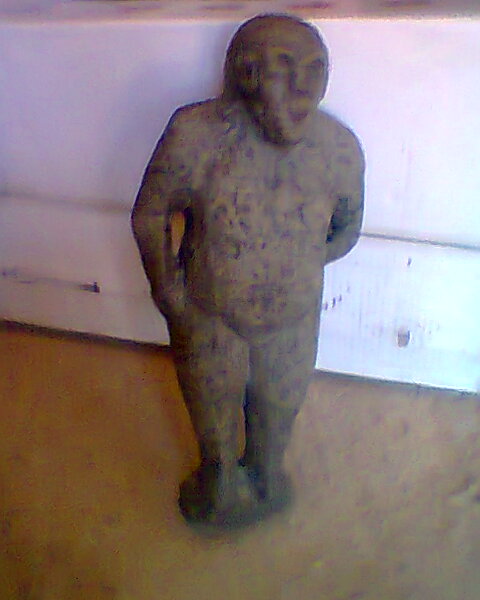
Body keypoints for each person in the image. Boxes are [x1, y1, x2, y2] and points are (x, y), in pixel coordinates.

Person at [131, 14, 365, 526]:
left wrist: (295, 267)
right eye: (285, 67)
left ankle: (264, 472)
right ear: (245, 74)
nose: (303, 85)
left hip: (293, 316)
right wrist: (167, 288)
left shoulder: (338, 148)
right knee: (213, 407)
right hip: (209, 311)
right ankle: (218, 478)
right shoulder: (196, 134)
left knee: (278, 411)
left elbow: (347, 228)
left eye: (315, 69)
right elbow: (150, 213)